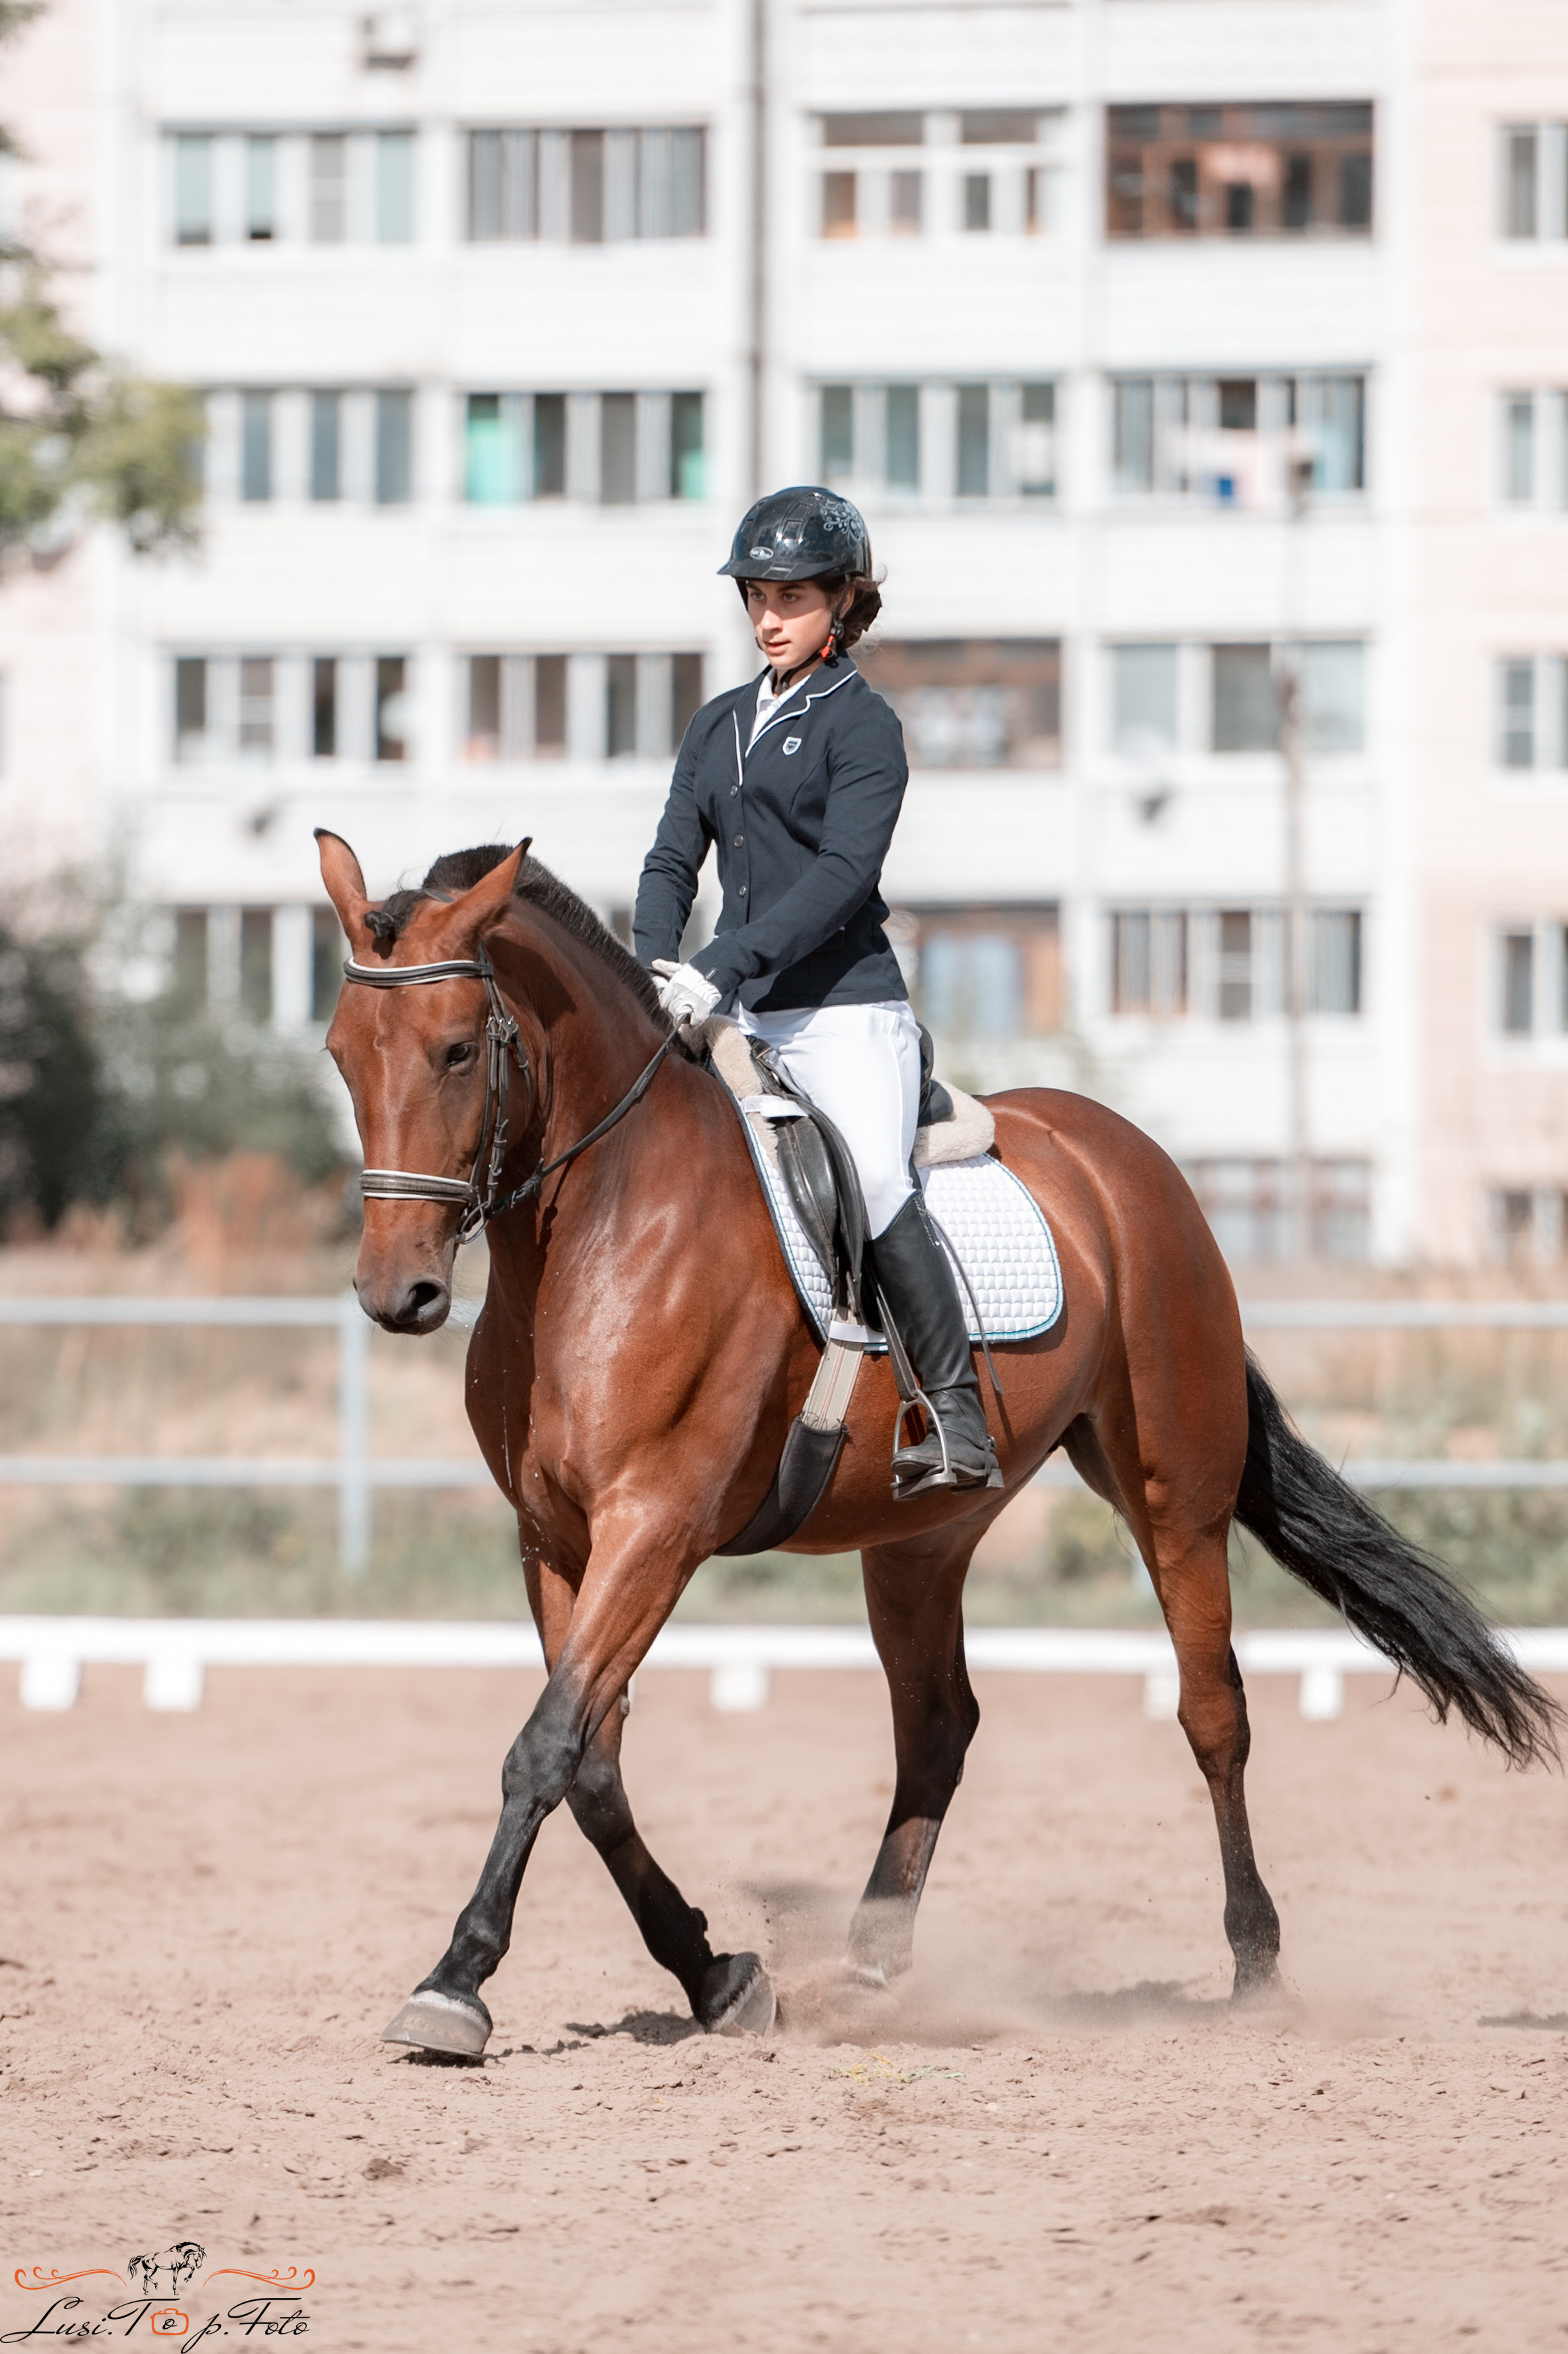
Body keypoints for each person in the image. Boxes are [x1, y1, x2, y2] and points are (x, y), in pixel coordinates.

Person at [632, 484, 997, 1495]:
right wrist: (651, 966)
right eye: (756, 594)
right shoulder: (717, 725)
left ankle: (955, 1415)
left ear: (844, 599)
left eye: (791, 595)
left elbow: (843, 879)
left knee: (877, 1181)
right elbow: (671, 860)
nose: (767, 615)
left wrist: (721, 964)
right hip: (736, 1006)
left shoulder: (864, 726)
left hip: (844, 1010)